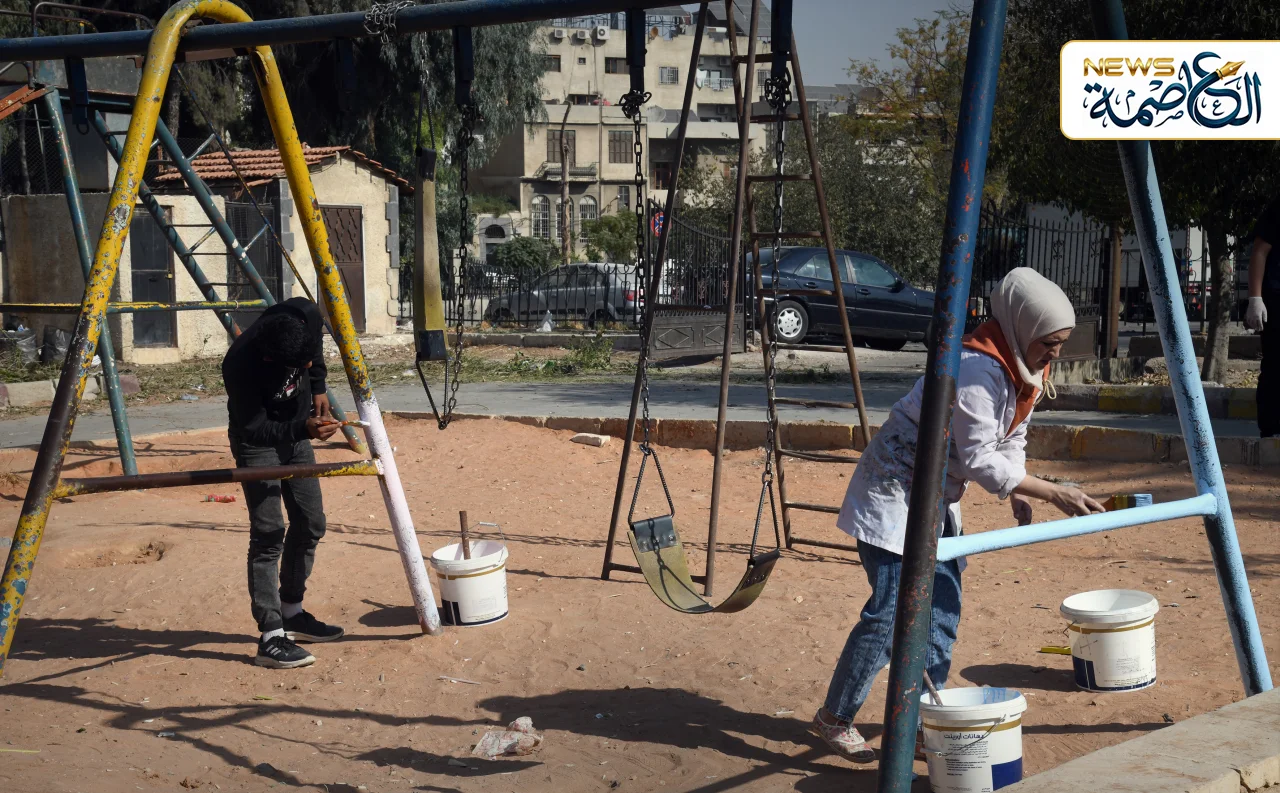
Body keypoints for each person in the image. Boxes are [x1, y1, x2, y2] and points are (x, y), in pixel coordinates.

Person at [809, 268, 1107, 762]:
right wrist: (1052, 491)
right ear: (1022, 327)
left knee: (942, 614)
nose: (1055, 354)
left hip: (935, 499)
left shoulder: (1024, 367)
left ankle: (923, 723)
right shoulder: (976, 368)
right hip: (893, 492)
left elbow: (1010, 437)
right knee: (891, 614)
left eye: (1060, 344)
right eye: (1050, 343)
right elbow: (978, 458)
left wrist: (1017, 489)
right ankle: (834, 716)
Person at [223, 297, 345, 669]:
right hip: (259, 442)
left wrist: (318, 386)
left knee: (311, 522)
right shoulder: (240, 364)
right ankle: (271, 636)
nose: (305, 368)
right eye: (299, 367)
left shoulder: (302, 314)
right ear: (269, 358)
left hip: (296, 435)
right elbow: (254, 429)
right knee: (269, 533)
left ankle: (292, 611)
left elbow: (314, 351)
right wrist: (302, 428)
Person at [1246, 200, 1278, 437]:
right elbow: (1260, 250)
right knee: (1276, 365)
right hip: (1277, 297)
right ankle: (1270, 431)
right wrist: (1255, 298)